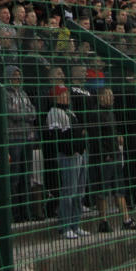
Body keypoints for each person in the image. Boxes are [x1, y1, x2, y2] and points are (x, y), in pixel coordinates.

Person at [89, 88, 136, 233]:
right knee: (103, 190)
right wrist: (104, 154)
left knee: (119, 188)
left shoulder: (111, 113)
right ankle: (103, 221)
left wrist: (118, 136)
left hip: (115, 154)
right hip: (105, 157)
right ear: (101, 97)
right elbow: (96, 137)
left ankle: (126, 219)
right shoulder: (96, 113)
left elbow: (112, 132)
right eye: (109, 96)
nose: (112, 99)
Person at [47, 85, 89, 239]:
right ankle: (65, 226)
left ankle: (75, 224)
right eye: (63, 94)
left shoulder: (70, 112)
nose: (67, 96)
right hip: (69, 154)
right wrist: (72, 146)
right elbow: (58, 136)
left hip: (80, 153)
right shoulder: (54, 112)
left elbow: (79, 130)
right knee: (69, 191)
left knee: (79, 191)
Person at [5, 65, 37, 222]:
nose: (17, 79)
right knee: (15, 176)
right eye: (14, 76)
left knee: (26, 175)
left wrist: (24, 114)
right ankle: (15, 213)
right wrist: (26, 114)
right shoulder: (4, 93)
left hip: (27, 138)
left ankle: (27, 212)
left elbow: (33, 112)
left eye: (19, 76)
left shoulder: (24, 93)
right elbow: (11, 113)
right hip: (14, 138)